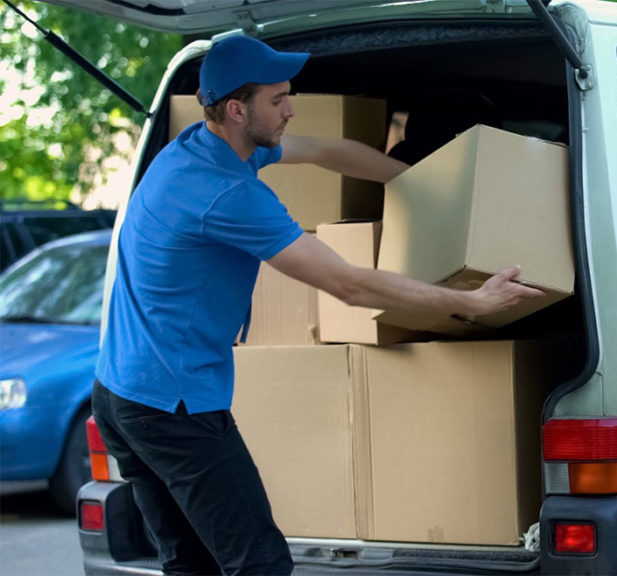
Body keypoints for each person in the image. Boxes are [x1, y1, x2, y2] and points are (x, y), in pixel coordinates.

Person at [91, 35, 542, 576]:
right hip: (173, 405)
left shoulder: (195, 146)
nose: (291, 108)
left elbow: (330, 152)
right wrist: (472, 300)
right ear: (237, 109)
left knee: (191, 562)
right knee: (258, 561)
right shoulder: (228, 194)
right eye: (278, 99)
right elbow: (348, 285)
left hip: (118, 392)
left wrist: (417, 183)